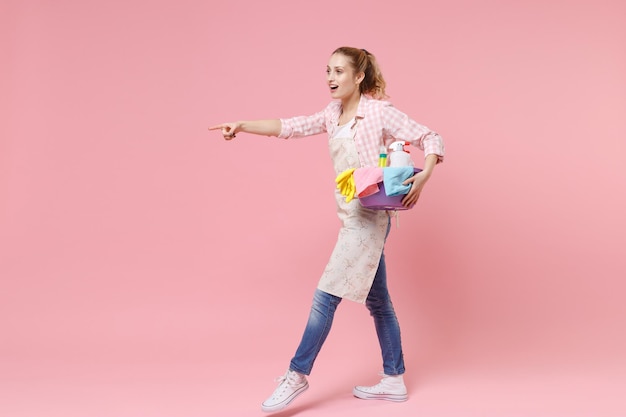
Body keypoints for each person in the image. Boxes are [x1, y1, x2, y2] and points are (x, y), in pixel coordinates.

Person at [209, 46, 444, 413]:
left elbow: (429, 137)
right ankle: (394, 379)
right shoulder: (333, 114)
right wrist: (242, 125)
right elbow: (290, 126)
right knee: (379, 301)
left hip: (369, 219)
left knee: (326, 295)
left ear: (358, 76)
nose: (330, 79)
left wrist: (424, 176)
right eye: (328, 71)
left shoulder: (379, 112)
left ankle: (297, 374)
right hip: (349, 217)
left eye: (338, 71)